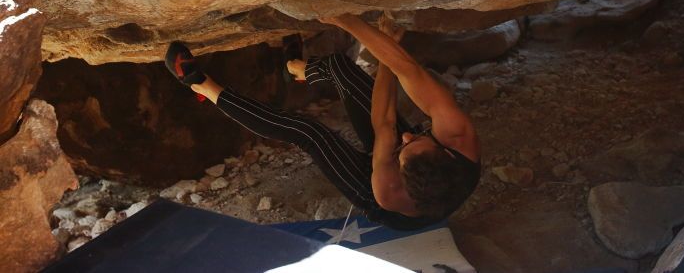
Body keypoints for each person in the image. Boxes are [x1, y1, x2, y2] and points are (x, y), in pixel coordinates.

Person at [164, 13, 481, 230]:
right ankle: (294, 68)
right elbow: (408, 72)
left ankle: (199, 84)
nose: (407, 137)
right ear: (447, 151)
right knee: (343, 69)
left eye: (403, 151)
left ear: (400, 172)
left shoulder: (390, 191)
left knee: (309, 132)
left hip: (377, 190)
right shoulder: (459, 137)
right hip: (423, 167)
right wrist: (353, 23)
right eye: (415, 141)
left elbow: (384, 126)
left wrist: (378, 47)